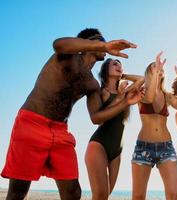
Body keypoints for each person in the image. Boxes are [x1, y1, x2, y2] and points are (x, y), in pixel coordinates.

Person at [1, 28, 141, 200]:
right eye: (100, 41)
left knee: (73, 192)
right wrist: (104, 45)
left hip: (60, 132)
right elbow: (58, 44)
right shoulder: (66, 56)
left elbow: (96, 117)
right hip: (31, 123)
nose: (104, 45)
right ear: (88, 42)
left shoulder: (92, 83)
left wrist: (125, 102)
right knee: (18, 191)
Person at [131, 52, 177, 200]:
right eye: (154, 67)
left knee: (174, 195)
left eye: (160, 68)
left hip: (166, 148)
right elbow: (149, 99)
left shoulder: (167, 95)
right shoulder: (141, 91)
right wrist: (156, 74)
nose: (159, 69)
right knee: (138, 196)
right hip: (143, 148)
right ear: (149, 73)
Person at [85, 58, 144, 200]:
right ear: (106, 71)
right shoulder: (103, 91)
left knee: (106, 194)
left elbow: (142, 79)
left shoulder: (125, 91)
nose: (119, 66)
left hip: (117, 150)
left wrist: (123, 76)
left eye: (120, 65)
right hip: (99, 145)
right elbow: (99, 118)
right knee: (100, 195)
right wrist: (119, 98)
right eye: (114, 64)